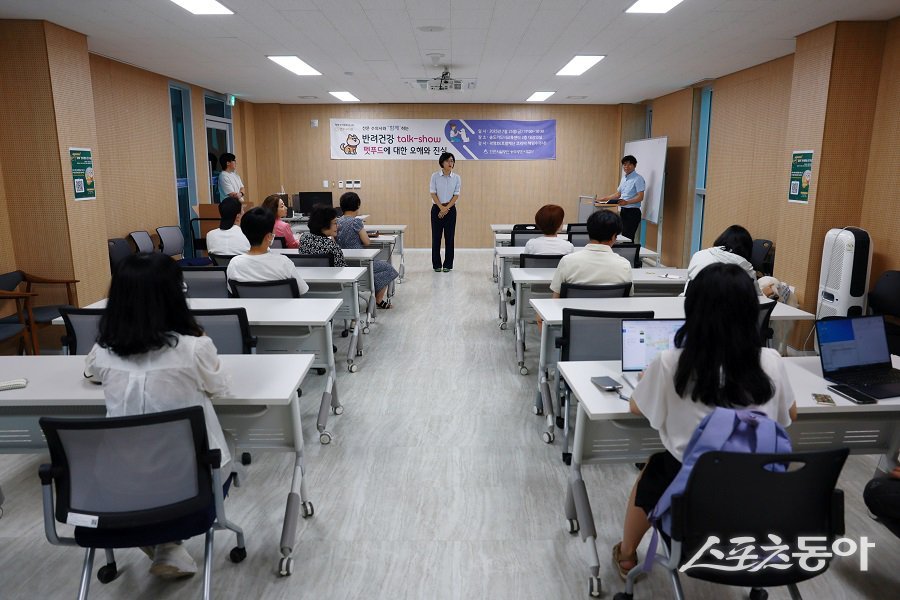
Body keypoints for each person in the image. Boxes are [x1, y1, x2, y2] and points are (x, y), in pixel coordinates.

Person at [612, 262, 797, 580]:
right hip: (757, 493)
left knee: (654, 469)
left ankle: (627, 555)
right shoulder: (771, 360)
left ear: (692, 308)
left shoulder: (671, 363)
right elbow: (789, 416)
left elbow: (635, 408)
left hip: (694, 496)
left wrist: (648, 381)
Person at [84, 252, 233, 579]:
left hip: (117, 490)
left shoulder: (104, 349)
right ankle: (168, 545)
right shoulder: (194, 346)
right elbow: (221, 388)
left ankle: (165, 544)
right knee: (190, 462)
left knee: (145, 468)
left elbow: (92, 373)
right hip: (192, 487)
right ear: (175, 295)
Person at [335, 192, 398, 309]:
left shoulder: (337, 222)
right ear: (357, 205)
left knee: (376, 271)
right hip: (360, 263)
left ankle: (372, 286)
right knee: (388, 268)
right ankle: (378, 300)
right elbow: (367, 242)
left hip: (343, 263)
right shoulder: (356, 222)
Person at [549, 210, 632, 298]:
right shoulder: (624, 265)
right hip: (611, 311)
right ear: (613, 237)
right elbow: (627, 301)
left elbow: (556, 299)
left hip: (574, 312)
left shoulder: (568, 261)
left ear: (589, 232)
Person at [226, 207, 309, 295]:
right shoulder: (283, 262)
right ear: (269, 236)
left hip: (249, 308)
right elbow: (302, 290)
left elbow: (232, 290)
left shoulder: (234, 263)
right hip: (281, 308)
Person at [684, 224, 761, 294]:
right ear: (746, 248)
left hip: (689, 303)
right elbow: (757, 296)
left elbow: (689, 282)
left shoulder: (699, 254)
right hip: (720, 307)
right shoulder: (744, 265)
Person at [596, 155, 645, 241]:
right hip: (623, 211)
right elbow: (618, 194)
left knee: (628, 238)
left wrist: (627, 202)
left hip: (633, 212)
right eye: (625, 165)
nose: (627, 167)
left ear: (635, 165)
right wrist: (603, 199)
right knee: (622, 236)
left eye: (630, 164)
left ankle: (628, 254)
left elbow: (640, 197)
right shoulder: (624, 178)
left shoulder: (638, 179)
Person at [429, 151, 460, 272]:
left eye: (452, 161)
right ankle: (436, 264)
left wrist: (446, 209)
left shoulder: (457, 177)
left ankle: (448, 264)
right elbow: (433, 193)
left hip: (451, 209)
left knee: (450, 238)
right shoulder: (435, 176)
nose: (450, 163)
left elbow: (456, 195)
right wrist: (441, 208)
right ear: (442, 162)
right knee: (436, 238)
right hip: (437, 208)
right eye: (448, 160)